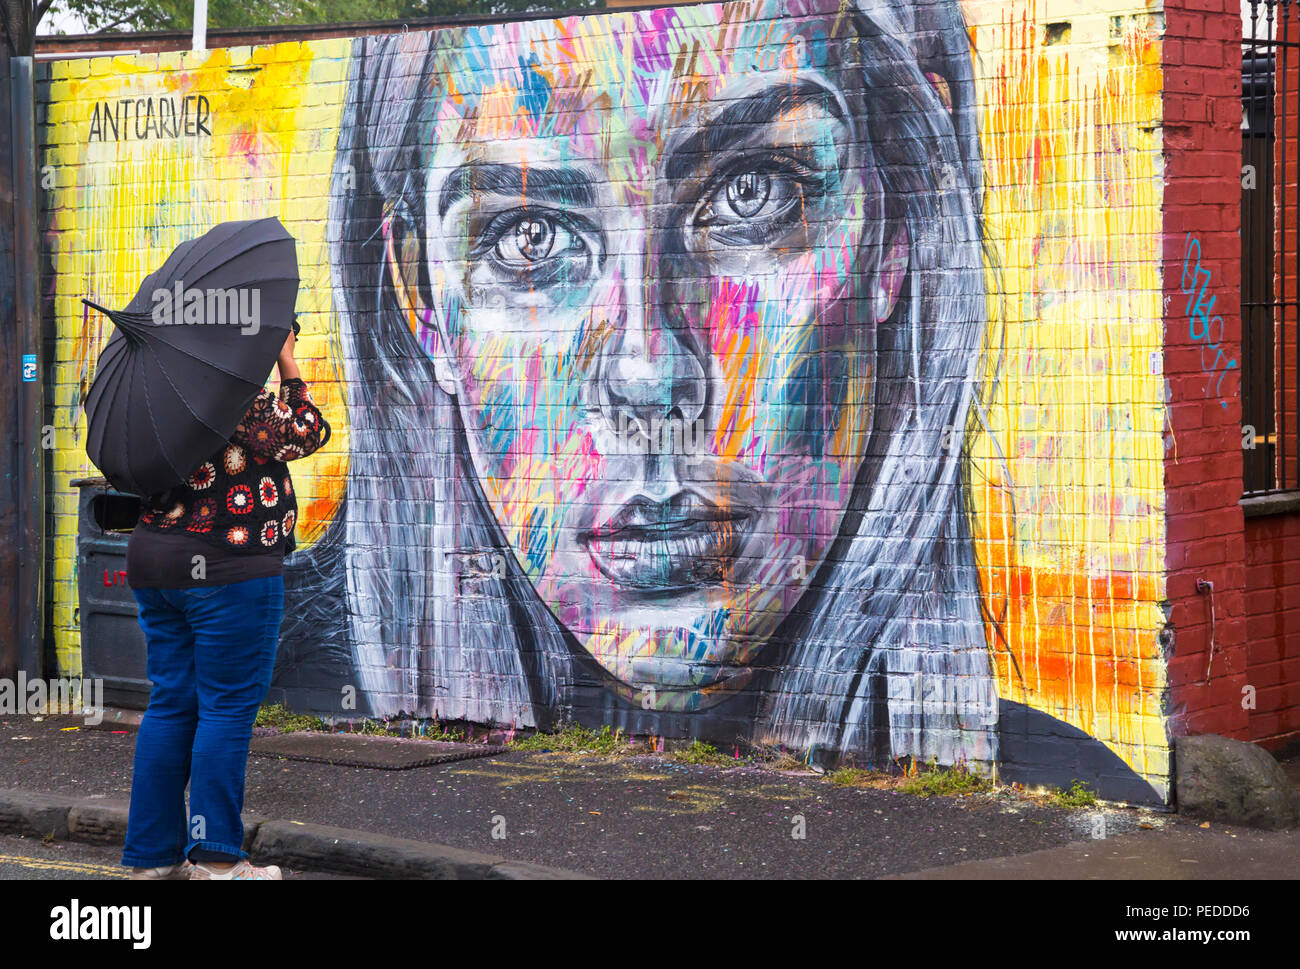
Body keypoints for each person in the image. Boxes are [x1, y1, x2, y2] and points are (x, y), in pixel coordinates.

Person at [275, 0, 1158, 802]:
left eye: (754, 193)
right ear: (417, 290)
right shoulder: (268, 695)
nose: (651, 374)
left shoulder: (1078, 791)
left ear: (897, 218)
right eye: (527, 235)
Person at [122, 323, 330, 879]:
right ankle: (216, 861)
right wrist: (288, 362)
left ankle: (152, 859)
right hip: (226, 568)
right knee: (225, 708)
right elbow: (305, 434)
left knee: (171, 704)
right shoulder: (227, 391)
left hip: (155, 561)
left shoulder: (153, 391)